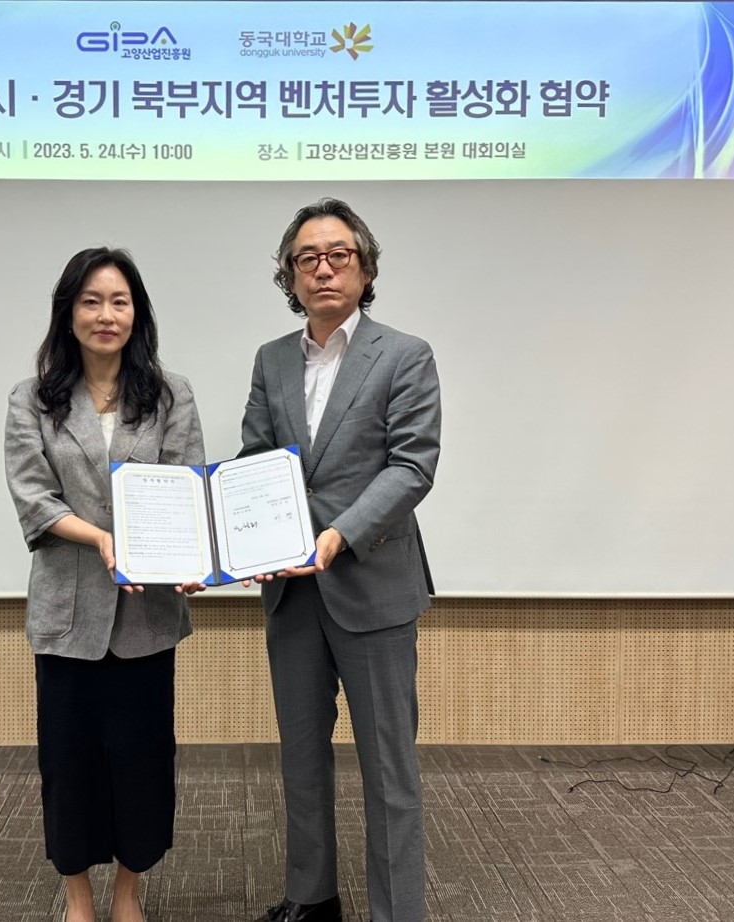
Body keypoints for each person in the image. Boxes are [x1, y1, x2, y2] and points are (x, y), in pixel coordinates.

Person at [240, 199, 441, 922]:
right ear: (290, 276)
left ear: (364, 268)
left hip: (372, 583)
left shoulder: (405, 354)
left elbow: (411, 467)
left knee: (388, 767)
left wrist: (337, 535)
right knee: (300, 755)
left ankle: (397, 912)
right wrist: (242, 538)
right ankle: (311, 895)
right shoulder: (271, 359)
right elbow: (256, 462)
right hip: (293, 593)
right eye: (307, 258)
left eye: (338, 255)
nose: (322, 268)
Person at [4, 247, 205, 922]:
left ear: (137, 314)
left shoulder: (170, 394)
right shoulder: (32, 399)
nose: (106, 315)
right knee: (69, 764)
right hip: (67, 612)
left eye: (120, 301)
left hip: (147, 612)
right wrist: (98, 538)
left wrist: (191, 555)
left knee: (142, 761)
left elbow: (184, 485)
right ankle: (78, 898)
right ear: (68, 314)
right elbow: (33, 497)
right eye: (91, 301)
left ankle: (127, 894)